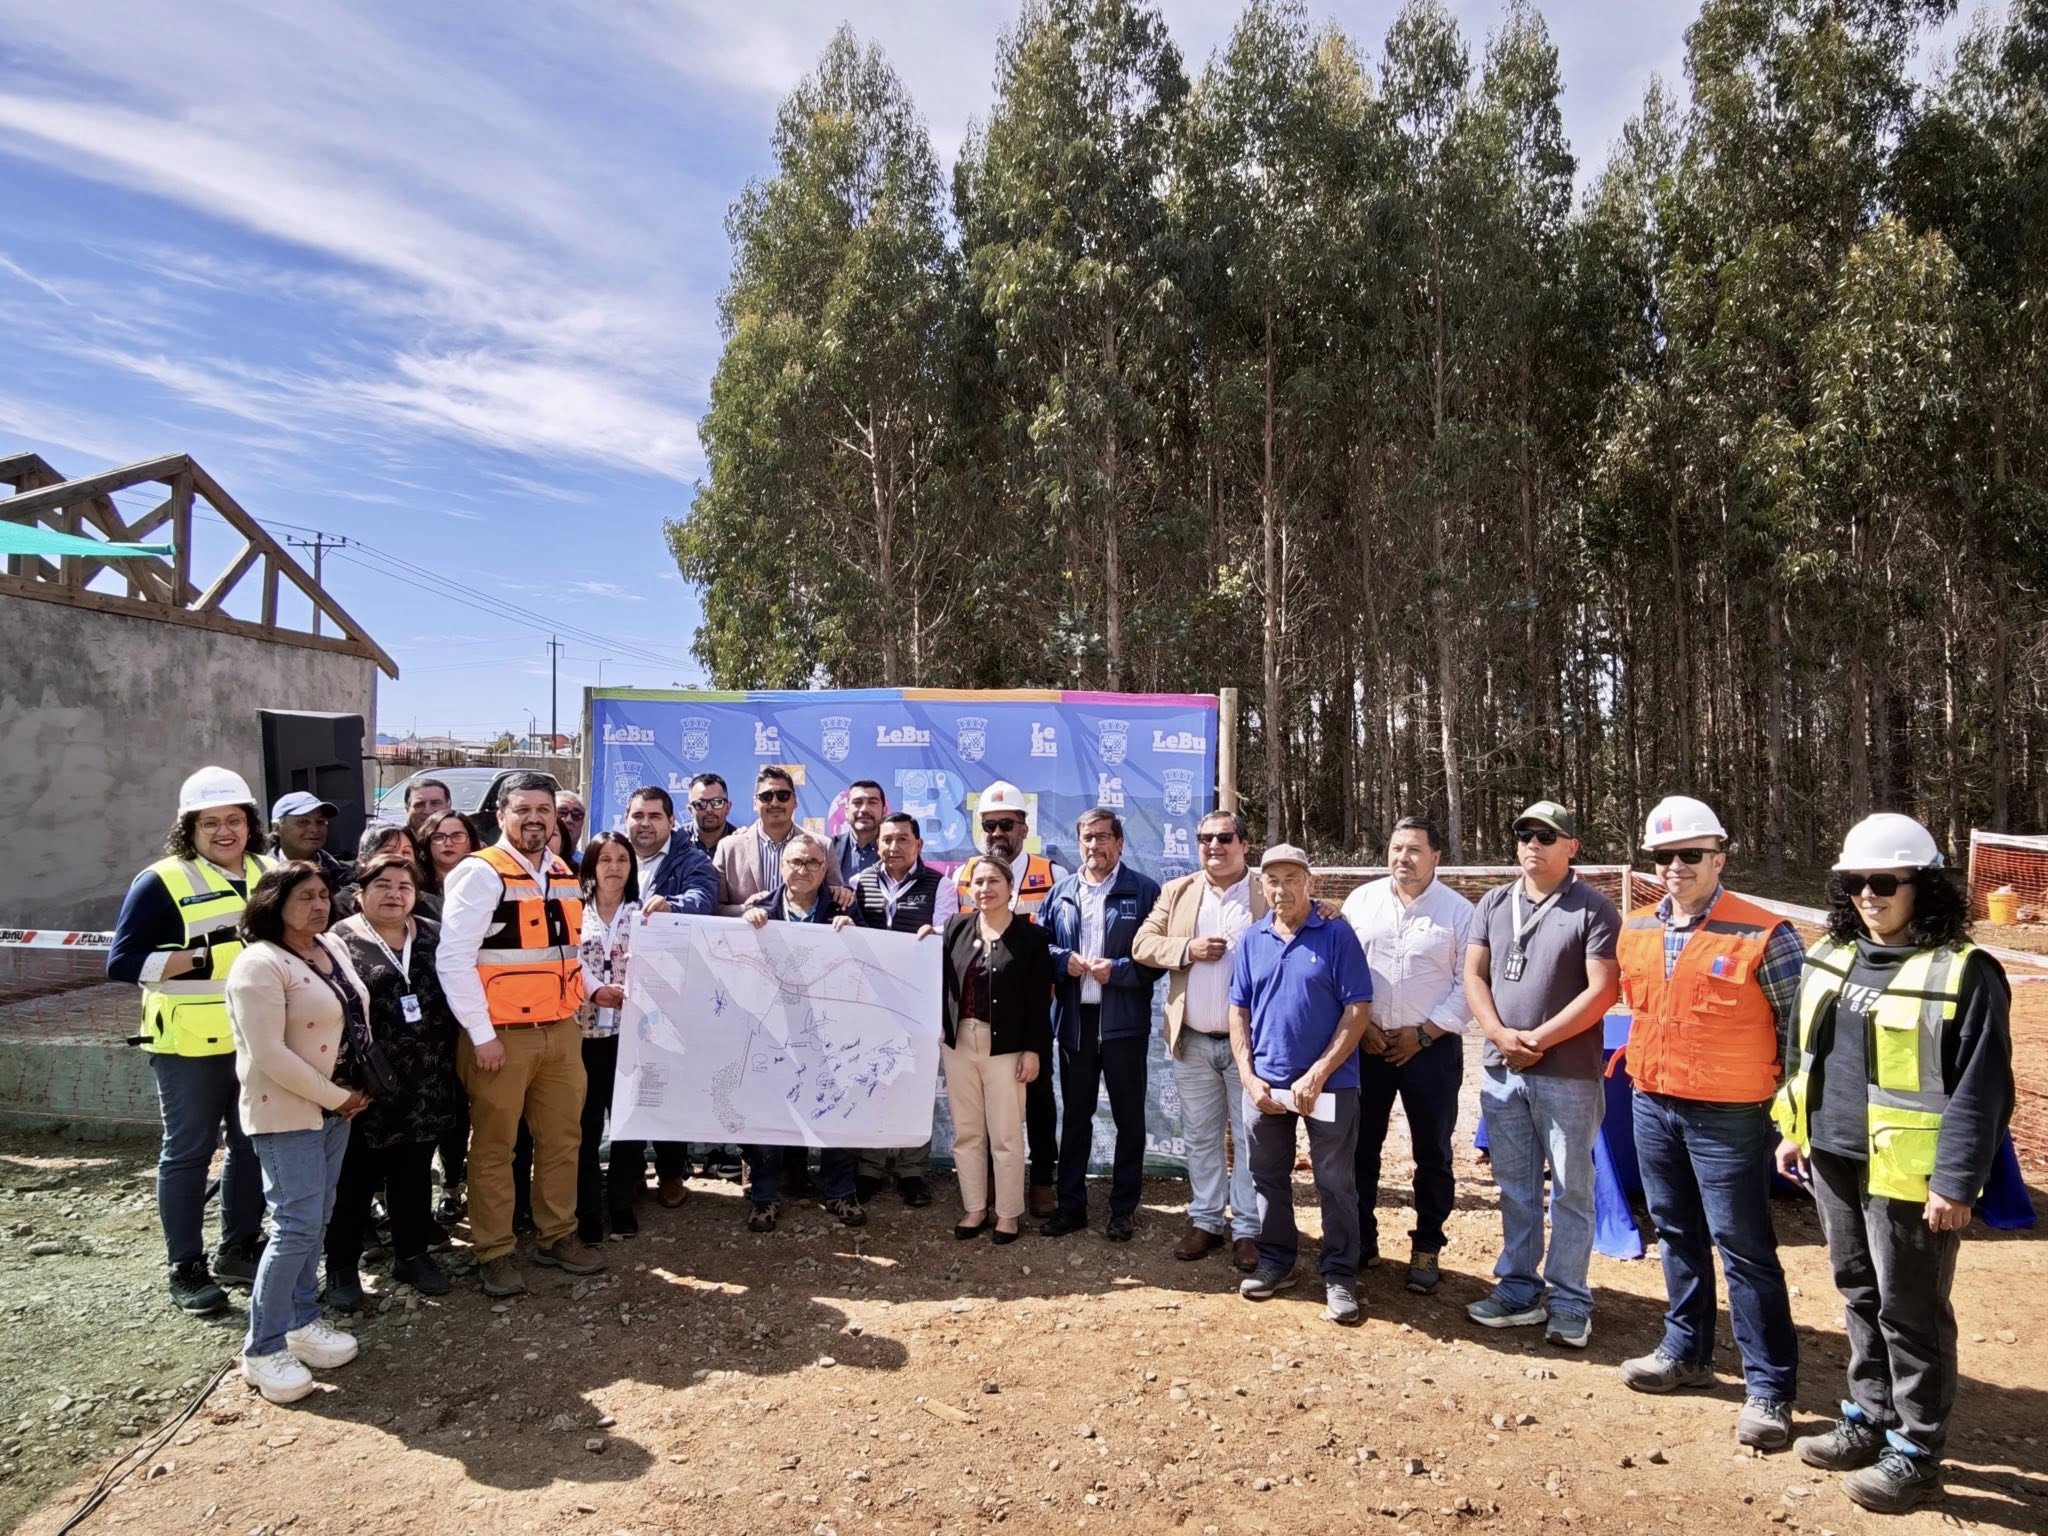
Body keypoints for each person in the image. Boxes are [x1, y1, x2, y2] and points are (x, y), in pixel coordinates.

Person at [1773, 814, 2014, 1515]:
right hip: (1834, 1156)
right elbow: (1802, 1053)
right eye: (1855, 882)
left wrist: (1955, 1182)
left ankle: (1916, 1451)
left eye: (1885, 882)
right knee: (1858, 1291)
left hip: (1911, 1176)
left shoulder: (1965, 971)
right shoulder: (1832, 955)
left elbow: (1982, 1089)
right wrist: (1794, 1130)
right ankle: (1870, 1416)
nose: (1868, 895)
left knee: (1911, 1311)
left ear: (1924, 887)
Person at [1615, 795, 1805, 1450]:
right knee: (1675, 1232)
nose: (1676, 867)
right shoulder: (1637, 927)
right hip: (1653, 1102)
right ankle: (1686, 1352)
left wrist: (1793, 1117)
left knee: (1743, 1248)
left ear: (1719, 858)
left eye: (1691, 854)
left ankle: (1769, 1387)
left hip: (1730, 1114)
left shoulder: (1765, 933)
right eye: (1664, 856)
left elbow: (1801, 1033)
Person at [107, 766, 274, 1314]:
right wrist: (204, 956)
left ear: (250, 823)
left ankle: (239, 1247)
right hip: (188, 1043)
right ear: (190, 828)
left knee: (251, 1143)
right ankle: (185, 1265)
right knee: (189, 1152)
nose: (225, 832)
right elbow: (123, 963)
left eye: (234, 820)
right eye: (210, 823)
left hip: (259, 1037)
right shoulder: (162, 880)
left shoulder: (271, 871)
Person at [434, 771, 604, 1296]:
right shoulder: (480, 872)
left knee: (563, 1140)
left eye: (543, 810)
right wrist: (481, 1034)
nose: (535, 818)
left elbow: (565, 953)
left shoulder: (562, 872)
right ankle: (494, 1250)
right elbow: (453, 959)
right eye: (523, 809)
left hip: (561, 1030)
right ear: (502, 816)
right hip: (501, 1037)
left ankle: (557, 1234)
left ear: (555, 818)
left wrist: (596, 989)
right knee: (494, 1147)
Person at [1463, 799, 1621, 1350]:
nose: (1533, 843)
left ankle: (1571, 1300)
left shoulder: (1594, 908)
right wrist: (1499, 1035)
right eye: (1525, 834)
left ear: (1571, 846)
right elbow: (1474, 977)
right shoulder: (1493, 902)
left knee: (1572, 1190)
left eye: (1547, 836)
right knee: (1516, 1186)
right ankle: (1518, 1289)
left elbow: (1603, 990)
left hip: (1568, 1074)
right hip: (1502, 1069)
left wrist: (1539, 1041)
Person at [222, 862, 371, 1404]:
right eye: (305, 896)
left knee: (317, 1219)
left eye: (323, 894)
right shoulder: (258, 964)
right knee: (294, 1225)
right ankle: (262, 1348)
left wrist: (350, 1090)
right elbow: (269, 1054)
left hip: (334, 1109)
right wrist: (337, 1096)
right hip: (289, 1111)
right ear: (274, 902)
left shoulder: (329, 947)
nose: (319, 904)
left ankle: (302, 1321)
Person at [1229, 844, 1376, 1325]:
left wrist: (1319, 1073)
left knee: (1335, 1182)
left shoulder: (1336, 934)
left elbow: (1358, 1009)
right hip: (1266, 1085)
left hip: (1329, 1086)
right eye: (1273, 880)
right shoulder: (1251, 939)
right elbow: (1239, 1010)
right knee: (1267, 1176)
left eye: (1292, 878)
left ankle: (1339, 1273)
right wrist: (1248, 1077)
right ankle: (1276, 1260)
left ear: (1310, 883)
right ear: (1262, 886)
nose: (1282, 889)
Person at [1339, 816, 1474, 1296]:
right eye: (1397, 848)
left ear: (1436, 857)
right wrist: (1363, 1028)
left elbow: (1469, 983)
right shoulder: (1361, 903)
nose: (1404, 858)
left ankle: (1427, 1246)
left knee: (1432, 1152)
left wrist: (1426, 1033)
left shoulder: (1459, 912)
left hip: (1431, 1049)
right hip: (1368, 1046)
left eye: (1415, 849)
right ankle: (1362, 1238)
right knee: (1360, 1147)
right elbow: (1343, 969)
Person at [1133, 809, 1266, 1272]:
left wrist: (1328, 908)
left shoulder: (1265, 890)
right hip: (1192, 1040)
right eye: (1205, 838)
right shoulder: (1179, 891)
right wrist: (1186, 949)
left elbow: (1304, 922)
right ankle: (1207, 1220)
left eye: (1224, 837)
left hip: (1252, 1046)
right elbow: (1142, 944)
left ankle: (1248, 1229)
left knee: (1251, 1139)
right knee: (1201, 1137)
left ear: (1244, 844)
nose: (1214, 846)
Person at [326, 851, 460, 1308]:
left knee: (414, 1172)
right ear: (360, 892)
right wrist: (338, 1080)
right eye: (382, 885)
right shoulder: (337, 942)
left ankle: (412, 1254)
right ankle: (341, 1267)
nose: (394, 895)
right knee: (354, 1178)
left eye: (404, 887)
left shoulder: (434, 935)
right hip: (365, 1081)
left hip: (427, 1078)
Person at [1041, 809, 1162, 1241]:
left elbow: (1157, 958)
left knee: (1130, 1120)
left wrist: (1120, 971)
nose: (1095, 845)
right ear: (1079, 843)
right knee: (1076, 1118)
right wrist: (1062, 961)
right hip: (1075, 1023)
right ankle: (1071, 1206)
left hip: (1123, 1024)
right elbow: (1042, 948)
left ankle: (1123, 1210)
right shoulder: (1060, 892)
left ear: (1120, 843)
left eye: (1103, 837)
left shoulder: (1144, 891)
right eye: (1088, 838)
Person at [736, 833, 867, 1230]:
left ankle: (841, 1192)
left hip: (831, 1031)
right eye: (796, 861)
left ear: (825, 868)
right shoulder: (760, 910)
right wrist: (745, 926)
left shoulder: (843, 908)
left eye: (813, 862)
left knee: (838, 1110)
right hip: (773, 1031)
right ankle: (764, 1197)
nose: (804, 869)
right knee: (769, 1113)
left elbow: (869, 963)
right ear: (781, 867)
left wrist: (854, 932)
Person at [955, 780, 1067, 1216]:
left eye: (1006, 824)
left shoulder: (1052, 874)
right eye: (989, 825)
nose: (997, 833)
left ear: (1024, 826)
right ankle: (985, 1184)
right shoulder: (966, 876)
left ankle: (1041, 1181)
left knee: (1038, 1096)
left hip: (1032, 1008)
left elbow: (1058, 945)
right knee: (982, 1106)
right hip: (981, 1014)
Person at [839, 811, 954, 1205]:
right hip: (870, 1001)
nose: (894, 846)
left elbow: (947, 934)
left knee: (914, 1087)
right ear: (877, 845)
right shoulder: (859, 882)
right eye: (887, 840)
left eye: (903, 839)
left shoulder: (941, 885)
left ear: (918, 845)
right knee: (871, 1083)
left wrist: (935, 933)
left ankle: (912, 1171)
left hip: (919, 1001)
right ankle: (869, 1168)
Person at [942, 854, 1053, 1244]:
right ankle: (975, 1207)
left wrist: (1033, 1050)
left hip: (1006, 1046)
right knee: (967, 1132)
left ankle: (1007, 1213)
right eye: (978, 882)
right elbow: (939, 981)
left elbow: (1039, 1001)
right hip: (959, 1042)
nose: (984, 889)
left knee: (1005, 1134)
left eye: (993, 881)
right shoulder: (955, 927)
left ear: (1010, 888)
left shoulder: (1032, 937)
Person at [621, 784, 719, 1204]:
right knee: (624, 1085)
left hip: (670, 991)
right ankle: (628, 1175)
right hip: (616, 992)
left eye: (654, 816)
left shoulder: (691, 859)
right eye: (638, 816)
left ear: (671, 821)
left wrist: (671, 908)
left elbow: (703, 899)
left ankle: (671, 1173)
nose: (645, 824)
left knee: (666, 1083)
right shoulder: (612, 854)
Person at [575, 831, 650, 1242]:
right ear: (591, 866)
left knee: (626, 1124)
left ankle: (621, 1203)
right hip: (580, 1034)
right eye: (605, 859)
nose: (614, 867)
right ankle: (586, 1208)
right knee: (584, 1127)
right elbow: (564, 962)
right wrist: (593, 989)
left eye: (623, 859)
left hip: (630, 1036)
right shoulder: (572, 911)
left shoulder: (644, 915)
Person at [418, 809, 484, 1223]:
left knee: (462, 1108)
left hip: (475, 1009)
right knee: (433, 1106)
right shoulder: (412, 890)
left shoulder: (486, 882)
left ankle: (454, 1185)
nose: (448, 843)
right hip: (426, 1014)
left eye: (457, 835)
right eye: (438, 836)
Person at [715, 765, 852, 914]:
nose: (775, 803)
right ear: (755, 803)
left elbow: (837, 900)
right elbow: (715, 908)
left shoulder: (822, 846)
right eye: (766, 797)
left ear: (795, 801)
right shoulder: (728, 848)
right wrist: (747, 909)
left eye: (783, 796)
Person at [332, 824, 434, 923]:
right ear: (363, 859)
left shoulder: (432, 905)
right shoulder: (341, 906)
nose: (398, 858)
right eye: (388, 852)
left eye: (406, 852)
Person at [270, 791, 349, 889]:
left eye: (320, 821)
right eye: (303, 822)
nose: (315, 829)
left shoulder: (347, 877)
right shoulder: (260, 872)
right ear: (277, 828)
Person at [831, 780, 888, 883]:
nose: (864, 809)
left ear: (884, 811)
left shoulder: (894, 849)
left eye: (872, 802)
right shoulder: (828, 848)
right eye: (857, 803)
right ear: (846, 811)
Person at [684, 771, 737, 857]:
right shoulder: (676, 842)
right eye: (700, 804)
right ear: (690, 810)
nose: (709, 809)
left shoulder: (741, 842)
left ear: (728, 807)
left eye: (717, 802)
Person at [554, 790, 587, 872]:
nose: (569, 820)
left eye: (576, 814)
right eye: (562, 812)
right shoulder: (533, 861)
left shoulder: (589, 864)